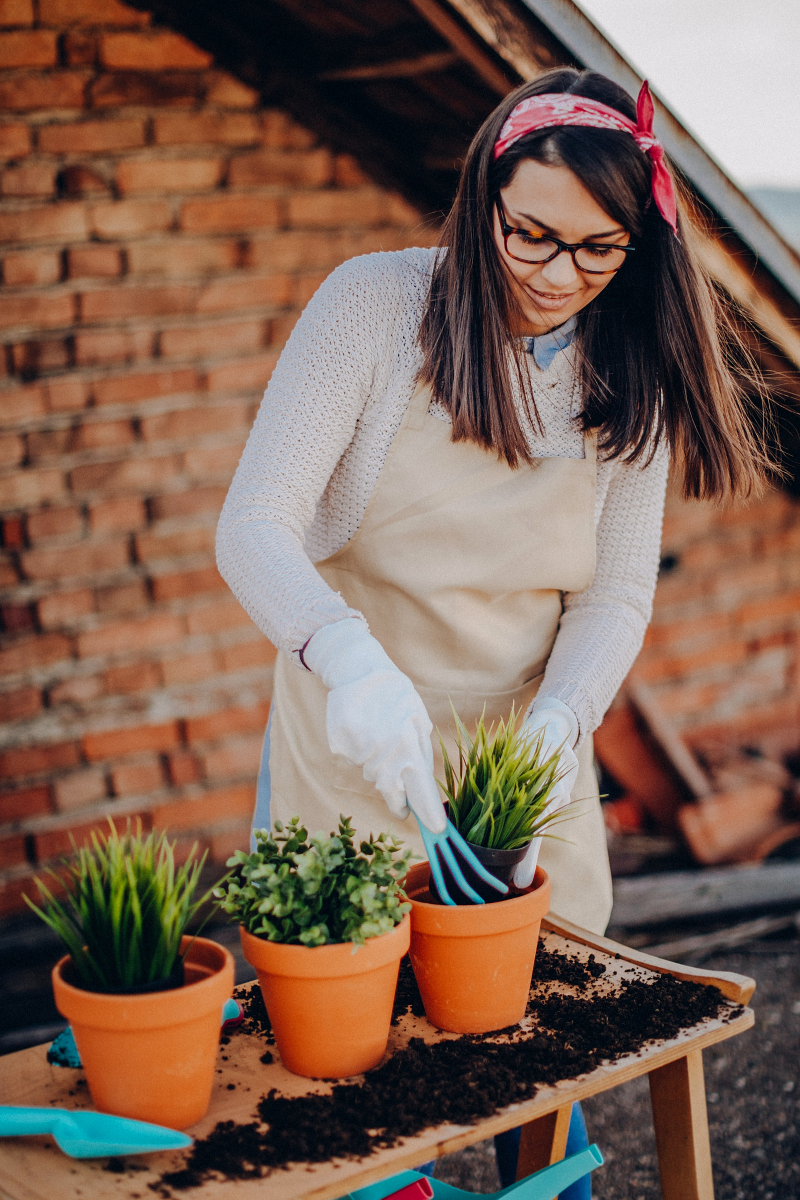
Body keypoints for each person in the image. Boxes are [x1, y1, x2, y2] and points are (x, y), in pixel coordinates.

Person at [217, 68, 769, 1195]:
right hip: (356, 736)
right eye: (529, 235)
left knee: (538, 1047)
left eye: (597, 249)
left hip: (525, 763)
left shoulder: (634, 364)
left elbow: (612, 595)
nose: (558, 276)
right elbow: (255, 526)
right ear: (479, 201)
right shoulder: (372, 309)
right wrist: (345, 658)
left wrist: (565, 720)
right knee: (346, 1067)